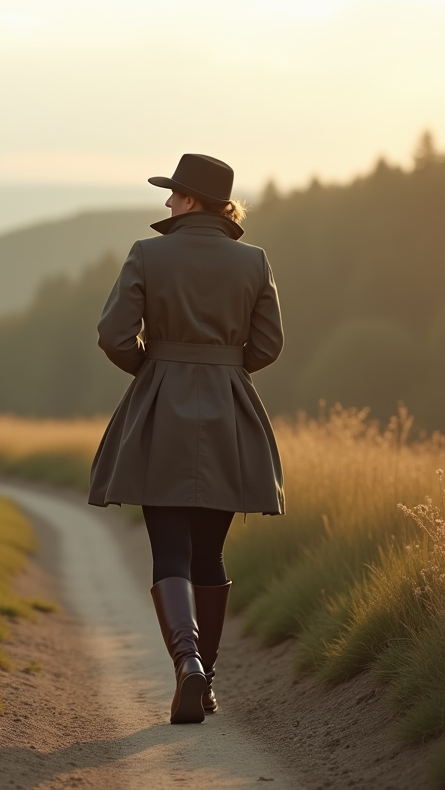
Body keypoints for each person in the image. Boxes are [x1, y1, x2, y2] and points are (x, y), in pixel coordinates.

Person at [89, 154, 284, 724]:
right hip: (227, 410)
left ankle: (188, 664)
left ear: (192, 199)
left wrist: (154, 367)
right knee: (210, 552)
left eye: (173, 194)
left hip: (162, 408)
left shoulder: (148, 254)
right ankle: (207, 676)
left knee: (168, 548)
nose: (167, 203)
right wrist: (223, 366)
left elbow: (111, 335)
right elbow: (268, 346)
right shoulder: (255, 260)